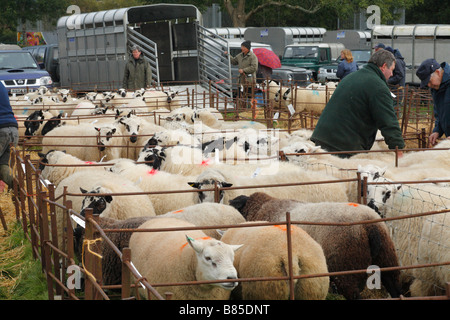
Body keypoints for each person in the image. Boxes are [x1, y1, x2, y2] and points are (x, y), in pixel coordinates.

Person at [310, 49, 405, 158]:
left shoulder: (352, 77)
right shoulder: (378, 86)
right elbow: (388, 121)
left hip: (323, 138)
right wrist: (398, 149)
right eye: (392, 69)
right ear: (383, 66)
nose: (392, 74)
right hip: (343, 145)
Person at [416, 58, 450, 147]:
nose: (429, 85)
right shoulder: (436, 89)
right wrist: (437, 131)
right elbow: (439, 113)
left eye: (429, 81)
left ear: (438, 72)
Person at [0, 82, 19, 191]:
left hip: (1, 129)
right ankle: (16, 187)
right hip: (13, 128)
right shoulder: (1, 84)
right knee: (3, 165)